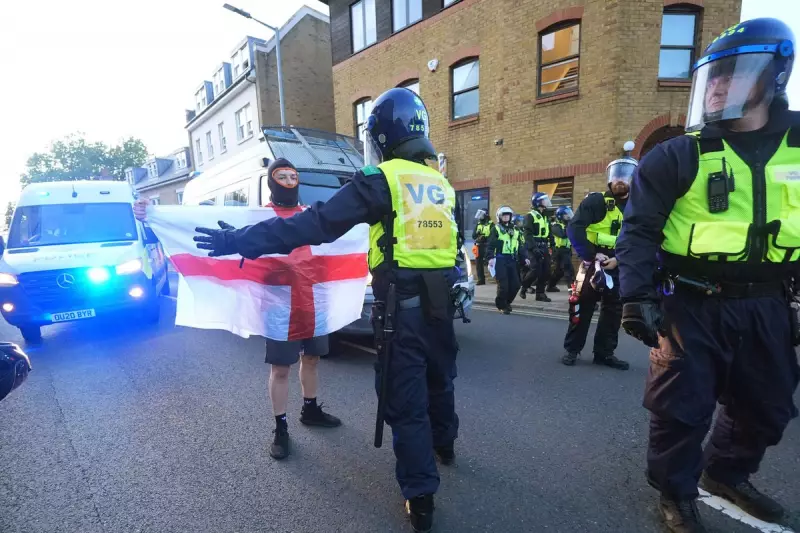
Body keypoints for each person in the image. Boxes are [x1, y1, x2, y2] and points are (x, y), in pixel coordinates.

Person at [192, 87, 459, 533]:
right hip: (442, 303)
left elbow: (311, 225)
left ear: (383, 135)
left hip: (403, 309)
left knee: (407, 400)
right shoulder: (440, 183)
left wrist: (236, 242)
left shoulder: (382, 179)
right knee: (441, 377)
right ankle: (446, 444)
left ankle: (421, 496)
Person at [617, 18, 799, 533]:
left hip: (768, 303)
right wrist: (637, 295)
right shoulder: (678, 155)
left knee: (769, 407)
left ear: (774, 75)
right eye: (711, 77)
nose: (717, 86)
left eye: (732, 74)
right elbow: (639, 231)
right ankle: (676, 492)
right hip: (691, 307)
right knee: (680, 411)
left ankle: (726, 472)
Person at [134, 157, 341, 463]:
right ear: (271, 182)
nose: (288, 180)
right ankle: (280, 427)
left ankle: (310, 409)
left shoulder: (311, 216)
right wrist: (148, 215)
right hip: (278, 305)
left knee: (311, 359)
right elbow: (187, 226)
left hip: (313, 302)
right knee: (281, 369)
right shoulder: (255, 217)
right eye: (280, 176)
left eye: (292, 175)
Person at [560, 156, 633, 371]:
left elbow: (641, 237)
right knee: (581, 306)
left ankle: (604, 353)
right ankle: (572, 350)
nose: (620, 181)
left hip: (619, 263)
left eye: (625, 177)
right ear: (610, 180)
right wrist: (591, 256)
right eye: (616, 176)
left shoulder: (638, 206)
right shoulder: (595, 201)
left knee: (613, 312)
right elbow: (575, 228)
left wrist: (619, 259)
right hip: (593, 262)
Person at [486, 206, 522, 314]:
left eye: (508, 215)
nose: (506, 217)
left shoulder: (515, 230)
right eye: (504, 215)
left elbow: (520, 245)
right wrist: (490, 257)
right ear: (500, 217)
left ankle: (507, 302)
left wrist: (525, 258)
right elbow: (490, 245)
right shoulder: (496, 229)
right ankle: (502, 305)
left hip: (512, 259)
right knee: (504, 285)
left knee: (516, 284)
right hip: (500, 259)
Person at [519, 192, 553, 302]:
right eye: (544, 200)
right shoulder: (530, 216)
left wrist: (552, 245)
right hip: (534, 246)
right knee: (535, 271)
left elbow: (549, 233)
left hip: (543, 246)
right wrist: (533, 248)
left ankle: (540, 294)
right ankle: (524, 287)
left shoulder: (545, 216)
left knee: (546, 271)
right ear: (538, 202)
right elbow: (527, 234)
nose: (546, 202)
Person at [547, 206, 575, 292]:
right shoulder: (556, 226)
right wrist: (570, 226)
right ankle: (572, 291)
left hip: (567, 250)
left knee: (559, 271)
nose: (569, 217)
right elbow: (562, 234)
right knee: (569, 270)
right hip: (559, 251)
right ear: (560, 216)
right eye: (567, 215)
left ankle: (550, 286)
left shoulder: (567, 225)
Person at [472, 209, 492, 285]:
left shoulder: (491, 224)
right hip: (479, 246)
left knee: (491, 262)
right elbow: (473, 236)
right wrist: (478, 235)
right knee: (478, 263)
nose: (480, 216)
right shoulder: (478, 224)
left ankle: (497, 278)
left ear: (486, 215)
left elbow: (493, 236)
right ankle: (481, 280)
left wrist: (485, 238)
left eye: (481, 214)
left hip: (487, 245)